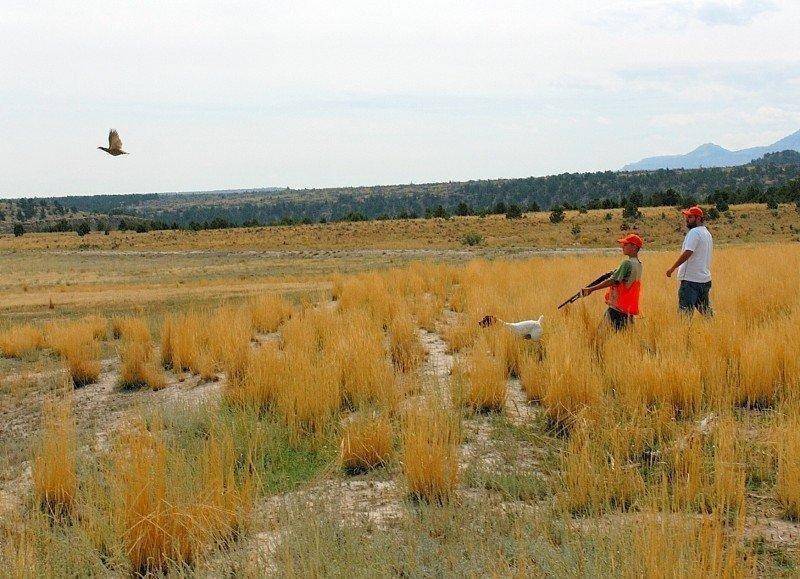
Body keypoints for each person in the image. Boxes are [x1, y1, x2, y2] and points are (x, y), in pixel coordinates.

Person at [580, 233, 643, 330]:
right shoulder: (638, 264)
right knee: (626, 338)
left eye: (626, 244)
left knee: (601, 336)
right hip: (629, 309)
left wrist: (591, 289)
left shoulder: (627, 263)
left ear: (634, 247)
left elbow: (613, 281)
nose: (623, 246)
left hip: (617, 309)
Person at [666, 205, 713, 315]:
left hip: (690, 280)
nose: (687, 219)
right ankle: (716, 328)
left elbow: (688, 252)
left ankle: (684, 332)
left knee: (685, 313)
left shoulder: (694, 232)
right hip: (704, 279)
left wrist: (672, 268)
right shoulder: (707, 233)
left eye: (690, 217)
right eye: (687, 217)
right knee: (706, 312)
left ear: (698, 219)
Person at [478, 315, 543, 340]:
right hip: (533, 326)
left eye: (484, 321)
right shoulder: (502, 328)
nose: (481, 322)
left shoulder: (505, 330)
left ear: (491, 323)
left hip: (535, 327)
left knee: (536, 341)